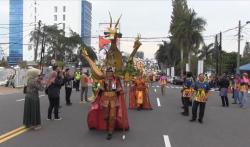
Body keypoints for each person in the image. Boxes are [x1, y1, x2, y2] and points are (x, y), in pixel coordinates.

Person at [87, 67, 129, 140]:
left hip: (114, 100)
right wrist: (95, 98)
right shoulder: (103, 81)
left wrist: (123, 92)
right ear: (106, 73)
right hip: (105, 100)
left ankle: (110, 132)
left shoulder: (116, 81)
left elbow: (118, 91)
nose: (109, 73)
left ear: (112, 73)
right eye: (108, 72)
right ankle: (108, 126)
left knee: (112, 116)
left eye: (110, 72)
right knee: (106, 116)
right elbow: (100, 91)